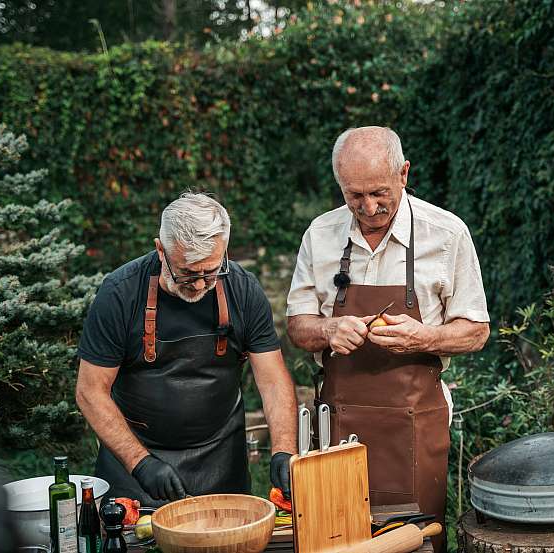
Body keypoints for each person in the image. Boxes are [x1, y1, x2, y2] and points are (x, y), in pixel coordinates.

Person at [286, 127, 490, 552]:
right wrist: (328, 329)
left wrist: (425, 337)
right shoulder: (320, 234)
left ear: (404, 173)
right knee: (337, 539)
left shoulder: (446, 234)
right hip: (338, 427)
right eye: (354, 195)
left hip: (415, 425)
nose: (369, 207)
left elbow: (476, 331)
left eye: (379, 192)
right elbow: (298, 326)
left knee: (418, 540)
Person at [76, 192, 297, 506]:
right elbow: (90, 391)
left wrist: (283, 450)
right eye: (188, 272)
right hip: (136, 466)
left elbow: (273, 380)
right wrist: (141, 463)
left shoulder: (243, 289)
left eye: (211, 271)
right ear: (160, 250)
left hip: (221, 461)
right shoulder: (120, 293)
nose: (198, 284)